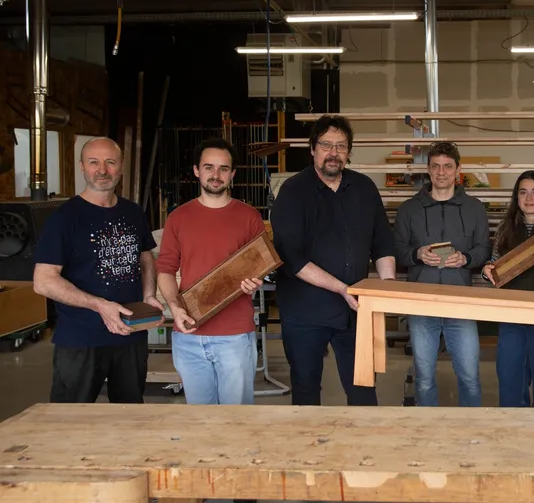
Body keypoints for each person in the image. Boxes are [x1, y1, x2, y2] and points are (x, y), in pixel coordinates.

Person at [271, 114, 396, 406]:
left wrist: (388, 286)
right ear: (313, 149)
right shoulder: (292, 192)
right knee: (305, 390)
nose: (334, 152)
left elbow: (382, 243)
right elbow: (292, 257)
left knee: (363, 390)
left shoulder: (364, 189)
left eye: (341, 146)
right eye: (326, 145)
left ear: (349, 151)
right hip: (304, 312)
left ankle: (364, 450)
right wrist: (342, 288)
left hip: (355, 312)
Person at [33, 137, 164, 403]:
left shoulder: (133, 212)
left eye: (110, 162)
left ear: (121, 166)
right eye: (94, 162)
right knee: (70, 421)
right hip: (81, 339)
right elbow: (43, 281)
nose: (102, 170)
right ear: (82, 167)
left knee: (129, 417)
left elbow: (146, 256)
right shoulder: (64, 218)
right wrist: (100, 305)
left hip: (130, 334)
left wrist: (149, 296)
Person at [156, 138, 266, 406]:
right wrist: (175, 307)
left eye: (223, 169)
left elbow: (259, 267)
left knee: (237, 420)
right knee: (199, 423)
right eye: (208, 167)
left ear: (232, 174)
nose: (215, 175)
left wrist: (256, 282)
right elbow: (165, 269)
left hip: (235, 337)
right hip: (189, 334)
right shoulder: (178, 218)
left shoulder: (249, 217)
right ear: (196, 170)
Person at [393, 141, 491, 407]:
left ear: (458, 169)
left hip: (460, 303)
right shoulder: (409, 209)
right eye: (435, 166)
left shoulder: (474, 208)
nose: (441, 172)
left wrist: (466, 258)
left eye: (448, 166)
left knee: (470, 376)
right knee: (424, 378)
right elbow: (397, 249)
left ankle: (470, 433)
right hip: (422, 304)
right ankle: (429, 433)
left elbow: (484, 248)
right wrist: (417, 254)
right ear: (427, 169)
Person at [482, 170, 534, 407]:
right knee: (510, 383)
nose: (529, 198)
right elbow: (494, 265)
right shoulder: (505, 229)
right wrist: (487, 271)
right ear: (516, 197)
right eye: (523, 192)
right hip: (512, 317)